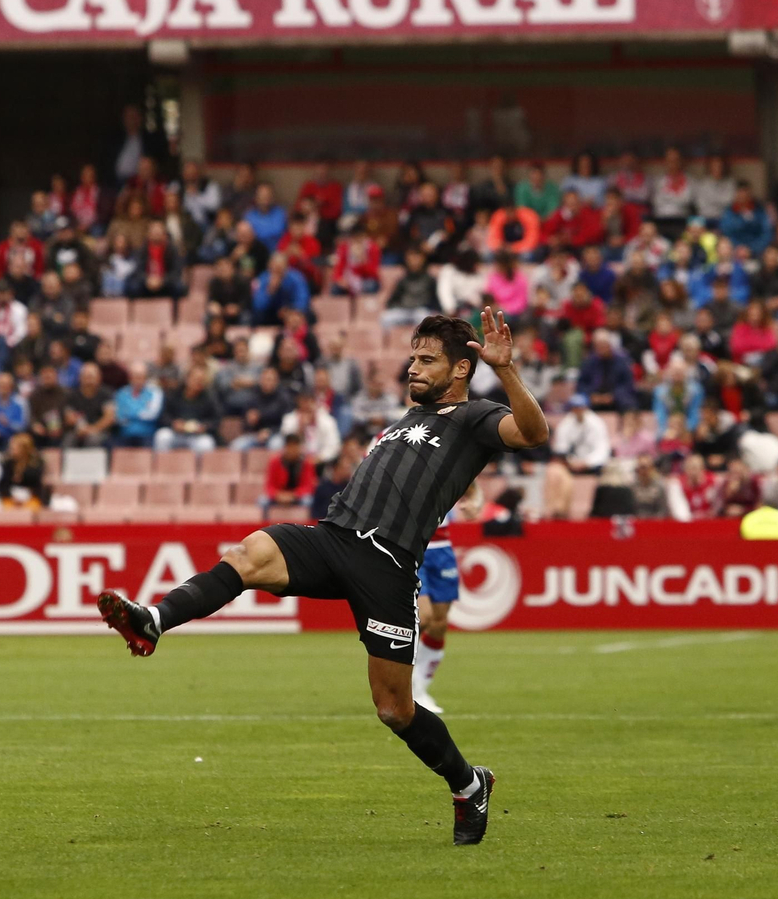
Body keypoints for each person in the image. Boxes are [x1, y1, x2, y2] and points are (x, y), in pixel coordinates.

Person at [98, 310, 549, 846]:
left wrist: (507, 372)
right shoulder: (403, 420)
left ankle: (468, 784)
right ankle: (155, 619)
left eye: (427, 360)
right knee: (250, 553)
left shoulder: (475, 417)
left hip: (388, 564)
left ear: (459, 370)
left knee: (395, 709)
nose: (414, 366)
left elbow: (533, 433)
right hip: (335, 538)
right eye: (413, 356)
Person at [412, 483, 482, 716]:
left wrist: (474, 504)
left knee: (440, 623)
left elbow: (472, 486)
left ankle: (420, 687)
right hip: (412, 546)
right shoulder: (395, 450)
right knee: (423, 617)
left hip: (441, 548)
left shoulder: (449, 455)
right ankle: (406, 684)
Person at [262, 433, 317, 518]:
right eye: (290, 446)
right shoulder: (275, 462)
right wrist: (278, 495)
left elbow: (308, 486)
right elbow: (269, 486)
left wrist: (293, 495)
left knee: (308, 501)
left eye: (295, 446)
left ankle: (306, 527)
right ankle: (264, 527)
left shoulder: (306, 463)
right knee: (263, 501)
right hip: (279, 496)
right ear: (285, 447)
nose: (292, 450)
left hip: (297, 496)